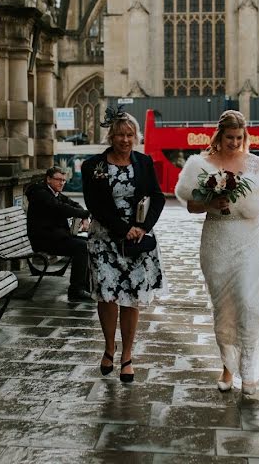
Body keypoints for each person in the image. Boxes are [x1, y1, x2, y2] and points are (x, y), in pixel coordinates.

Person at [174, 110, 259, 395]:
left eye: (239, 137)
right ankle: (227, 367)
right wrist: (210, 203)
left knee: (247, 301)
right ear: (219, 135)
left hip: (249, 240)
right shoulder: (200, 164)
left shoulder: (258, 165)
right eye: (229, 137)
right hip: (216, 240)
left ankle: (249, 368)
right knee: (225, 308)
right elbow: (191, 205)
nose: (234, 142)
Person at [81, 107, 166, 383]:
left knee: (132, 298)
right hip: (105, 240)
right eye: (119, 134)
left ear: (136, 136)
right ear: (111, 136)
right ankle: (109, 347)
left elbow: (157, 197)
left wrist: (142, 227)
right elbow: (94, 205)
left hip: (137, 242)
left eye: (130, 134)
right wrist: (123, 229)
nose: (125, 139)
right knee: (107, 295)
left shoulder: (143, 162)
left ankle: (127, 356)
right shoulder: (93, 166)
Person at [25, 167, 92, 302]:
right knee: (81, 247)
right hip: (43, 239)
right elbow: (60, 208)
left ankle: (85, 287)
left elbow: (74, 204)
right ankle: (76, 290)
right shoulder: (40, 194)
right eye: (58, 180)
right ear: (48, 179)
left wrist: (84, 217)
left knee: (89, 243)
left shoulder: (54, 193)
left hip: (55, 236)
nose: (61, 183)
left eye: (64, 180)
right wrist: (85, 214)